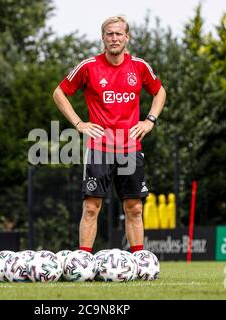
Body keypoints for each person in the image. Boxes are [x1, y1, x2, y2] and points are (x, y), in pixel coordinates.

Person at [52, 15, 166, 253]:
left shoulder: (139, 66)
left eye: (118, 33)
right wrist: (79, 123)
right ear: (103, 37)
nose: (114, 38)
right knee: (92, 207)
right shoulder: (88, 66)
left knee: (134, 208)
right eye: (109, 34)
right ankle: (83, 261)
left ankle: (139, 262)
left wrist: (150, 120)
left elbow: (160, 91)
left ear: (127, 37)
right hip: (100, 149)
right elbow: (59, 93)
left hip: (130, 149)